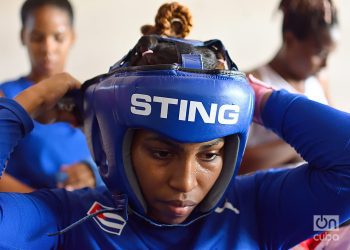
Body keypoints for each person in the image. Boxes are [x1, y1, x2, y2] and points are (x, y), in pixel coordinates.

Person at [0, 35, 349, 249]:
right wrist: (22, 107)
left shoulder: (259, 210)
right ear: (115, 147)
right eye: (161, 152)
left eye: (209, 154)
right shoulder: (68, 218)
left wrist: (256, 98)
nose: (184, 182)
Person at [0, 0, 100, 192]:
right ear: (23, 36)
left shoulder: (94, 97)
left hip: (89, 214)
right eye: (37, 37)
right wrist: (49, 207)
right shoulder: (7, 96)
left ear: (72, 37)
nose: (48, 48)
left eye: (58, 37)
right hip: (36, 217)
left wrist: (92, 172)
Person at [240, 0, 339, 173]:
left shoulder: (318, 79)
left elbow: (333, 133)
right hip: (269, 195)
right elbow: (235, 164)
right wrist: (301, 139)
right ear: (290, 40)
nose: (325, 64)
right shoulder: (252, 84)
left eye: (328, 55)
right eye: (319, 53)